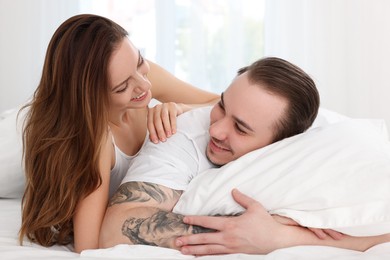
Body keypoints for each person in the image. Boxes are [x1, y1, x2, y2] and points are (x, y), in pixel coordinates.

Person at [99, 57, 390, 254]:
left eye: (241, 128)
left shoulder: (314, 146)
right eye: (222, 106)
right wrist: (259, 235)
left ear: (281, 143)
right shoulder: (182, 135)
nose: (217, 130)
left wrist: (281, 238)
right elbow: (113, 230)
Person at [18, 14, 219, 253]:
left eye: (139, 62)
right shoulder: (98, 141)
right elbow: (89, 244)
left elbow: (219, 103)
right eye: (122, 87)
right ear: (91, 97)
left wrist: (181, 107)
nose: (144, 86)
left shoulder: (142, 76)